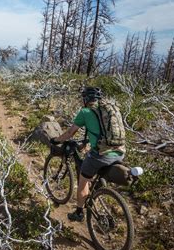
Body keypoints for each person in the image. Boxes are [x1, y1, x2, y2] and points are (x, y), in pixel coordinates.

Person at [50, 87, 125, 222]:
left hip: (101, 155)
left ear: (85, 99)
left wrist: (55, 140)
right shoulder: (107, 110)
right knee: (93, 165)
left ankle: (79, 212)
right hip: (119, 152)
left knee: (83, 179)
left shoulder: (85, 112)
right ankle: (97, 190)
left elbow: (69, 133)